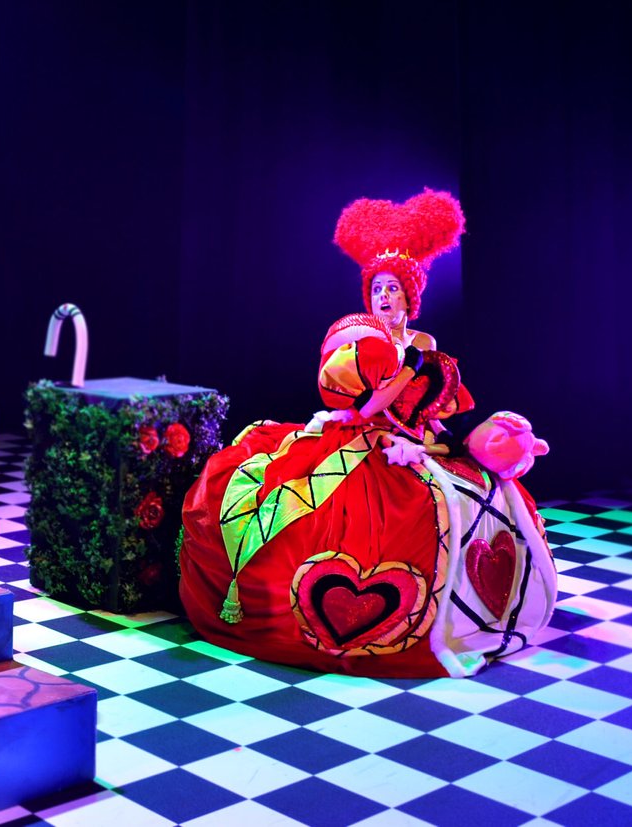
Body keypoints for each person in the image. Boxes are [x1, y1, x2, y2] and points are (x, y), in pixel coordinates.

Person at [178, 189, 557, 678]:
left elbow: (433, 407)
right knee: (315, 510)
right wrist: (407, 369)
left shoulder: (424, 343)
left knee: (473, 497)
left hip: (414, 443)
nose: (384, 297)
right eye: (377, 288)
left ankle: (469, 614)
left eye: (392, 289)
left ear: (409, 297)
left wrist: (438, 443)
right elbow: (370, 405)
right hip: (364, 438)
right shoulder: (361, 338)